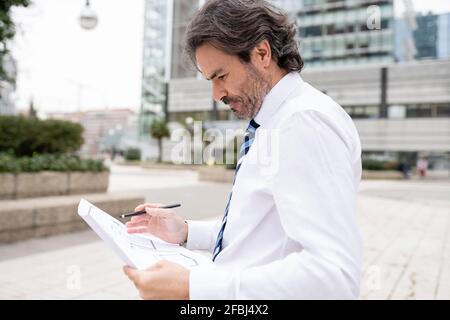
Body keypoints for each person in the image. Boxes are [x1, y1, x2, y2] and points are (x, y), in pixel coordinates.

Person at [123, 0, 362, 299]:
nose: (216, 94)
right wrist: (185, 231)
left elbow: (334, 275)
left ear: (262, 53)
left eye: (220, 76)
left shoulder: (303, 122)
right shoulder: (273, 122)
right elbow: (261, 235)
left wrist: (191, 287)